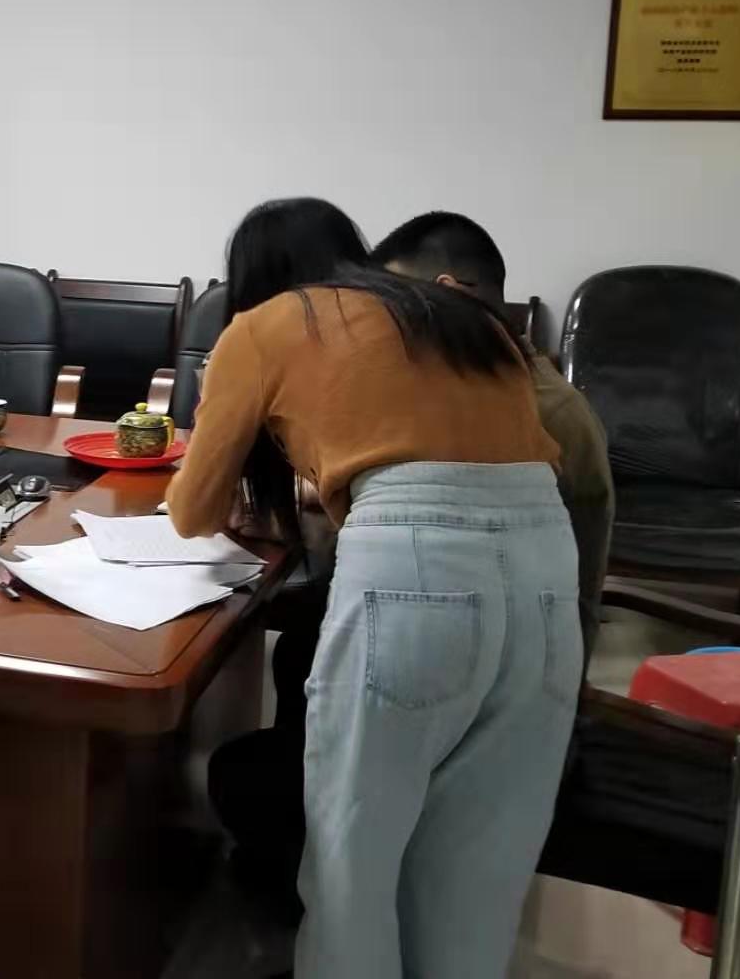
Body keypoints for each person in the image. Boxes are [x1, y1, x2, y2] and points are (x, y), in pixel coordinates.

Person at [167, 198, 581, 978]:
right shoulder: (455, 317)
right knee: (479, 864)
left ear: (251, 279)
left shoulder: (263, 327)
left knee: (352, 858)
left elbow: (193, 514)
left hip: (413, 573)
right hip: (546, 568)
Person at [371, 211, 614, 652]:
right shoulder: (488, 385)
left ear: (447, 293)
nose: (387, 325)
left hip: (515, 655)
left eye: (395, 305)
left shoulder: (538, 414)